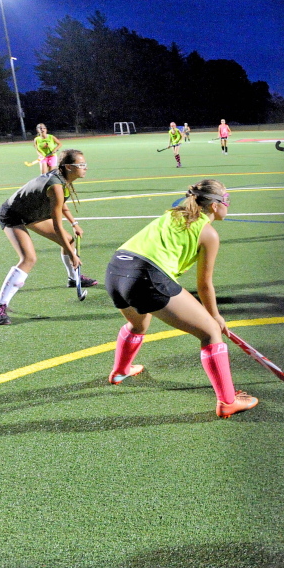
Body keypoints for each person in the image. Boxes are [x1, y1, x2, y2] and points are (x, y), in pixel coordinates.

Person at [104, 179, 258, 418]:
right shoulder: (208, 233)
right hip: (145, 276)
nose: (228, 205)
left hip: (116, 270)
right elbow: (204, 284)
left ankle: (121, 371)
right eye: (226, 200)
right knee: (210, 333)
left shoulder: (172, 215)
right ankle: (228, 402)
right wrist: (215, 316)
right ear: (215, 206)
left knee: (139, 323)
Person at [0, 149, 96, 325]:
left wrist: (74, 223)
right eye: (81, 165)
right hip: (13, 215)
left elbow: (61, 205)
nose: (85, 168)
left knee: (69, 239)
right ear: (69, 167)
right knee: (28, 258)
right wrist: (73, 255)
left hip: (33, 214)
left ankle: (73, 279)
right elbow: (56, 225)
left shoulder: (63, 178)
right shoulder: (55, 185)